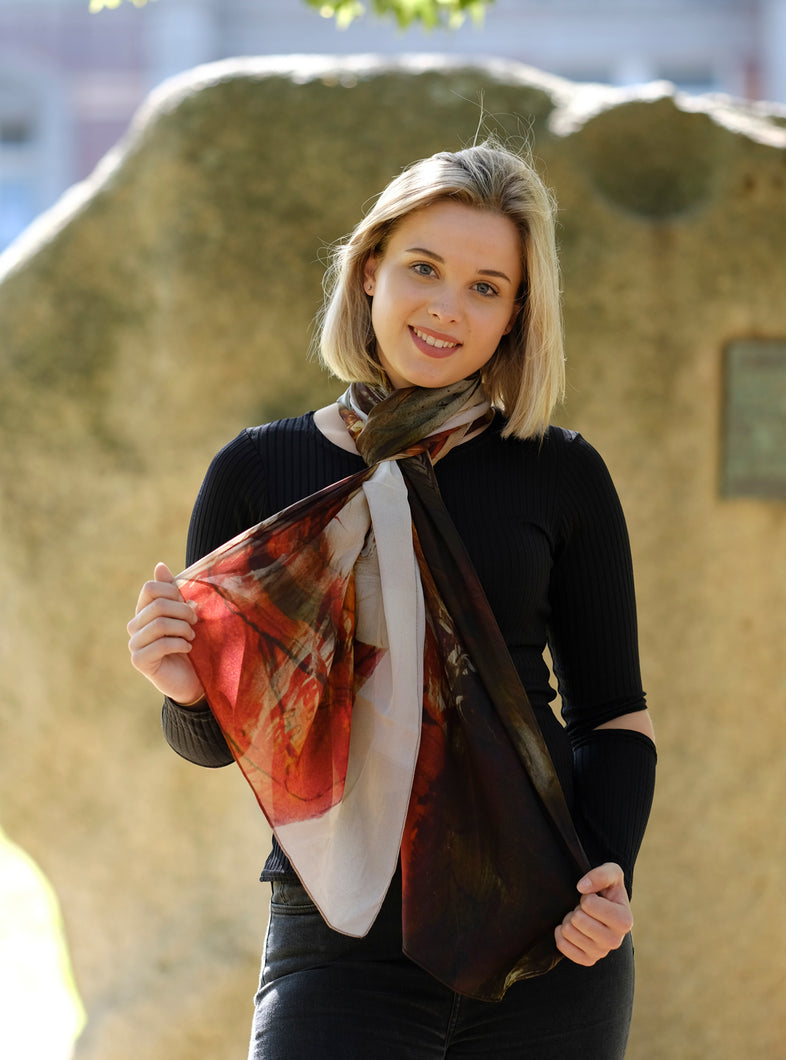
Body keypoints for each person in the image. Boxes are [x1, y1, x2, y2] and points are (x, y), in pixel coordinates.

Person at [127, 142, 656, 1059]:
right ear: (371, 269)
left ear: (517, 316)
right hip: (339, 932)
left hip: (546, 926)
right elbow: (220, 741)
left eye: (487, 287)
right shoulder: (260, 470)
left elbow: (614, 717)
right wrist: (182, 685)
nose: (448, 307)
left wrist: (607, 876)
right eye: (424, 268)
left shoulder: (560, 474)